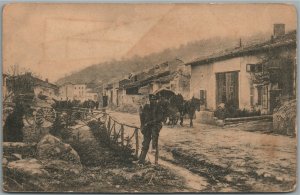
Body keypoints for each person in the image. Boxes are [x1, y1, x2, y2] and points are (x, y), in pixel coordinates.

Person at [138, 94, 164, 164]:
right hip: (147, 126)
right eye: (152, 100)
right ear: (150, 100)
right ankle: (141, 160)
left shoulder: (159, 108)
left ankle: (154, 147)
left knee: (154, 132)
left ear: (157, 100)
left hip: (156, 124)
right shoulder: (146, 107)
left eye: (155, 100)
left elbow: (159, 118)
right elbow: (142, 116)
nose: (153, 101)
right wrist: (142, 125)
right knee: (145, 142)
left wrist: (150, 122)